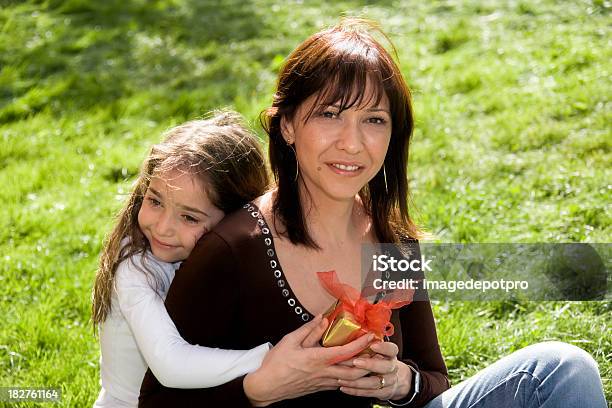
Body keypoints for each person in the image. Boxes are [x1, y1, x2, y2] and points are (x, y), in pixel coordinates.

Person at [139, 19, 607, 408]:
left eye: (374, 120)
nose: (352, 143)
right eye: (330, 114)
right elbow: (156, 402)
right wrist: (259, 390)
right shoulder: (232, 249)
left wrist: (401, 382)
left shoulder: (391, 240)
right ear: (286, 126)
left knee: (563, 370)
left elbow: (435, 380)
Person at [91, 111, 271, 408]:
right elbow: (169, 363)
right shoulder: (136, 266)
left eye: (188, 217)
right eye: (155, 201)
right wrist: (271, 358)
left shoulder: (224, 261)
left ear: (233, 221)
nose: (162, 228)